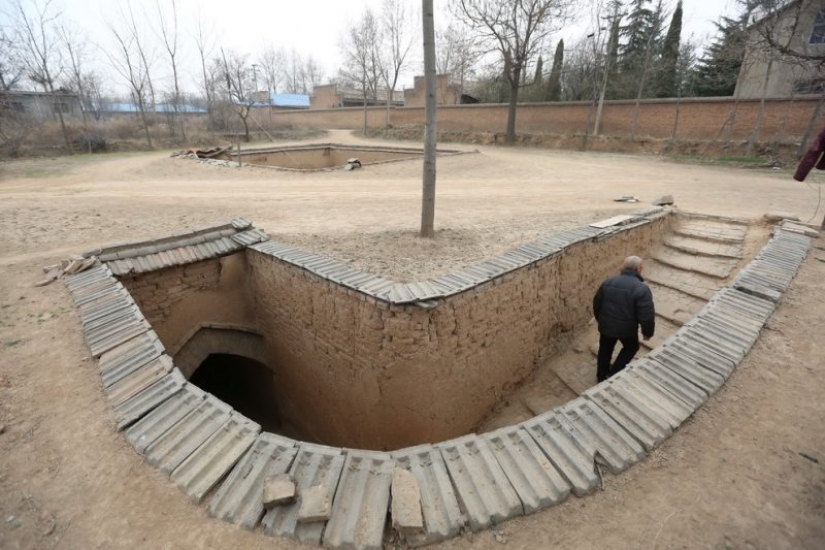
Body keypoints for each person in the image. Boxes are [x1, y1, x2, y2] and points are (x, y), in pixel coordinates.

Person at [592, 255, 655, 382]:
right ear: (638, 269)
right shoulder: (641, 288)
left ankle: (601, 376)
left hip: (606, 326)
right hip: (626, 329)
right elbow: (646, 314)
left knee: (605, 349)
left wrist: (601, 321)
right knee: (631, 347)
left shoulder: (608, 282)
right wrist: (647, 333)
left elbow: (596, 304)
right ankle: (613, 373)